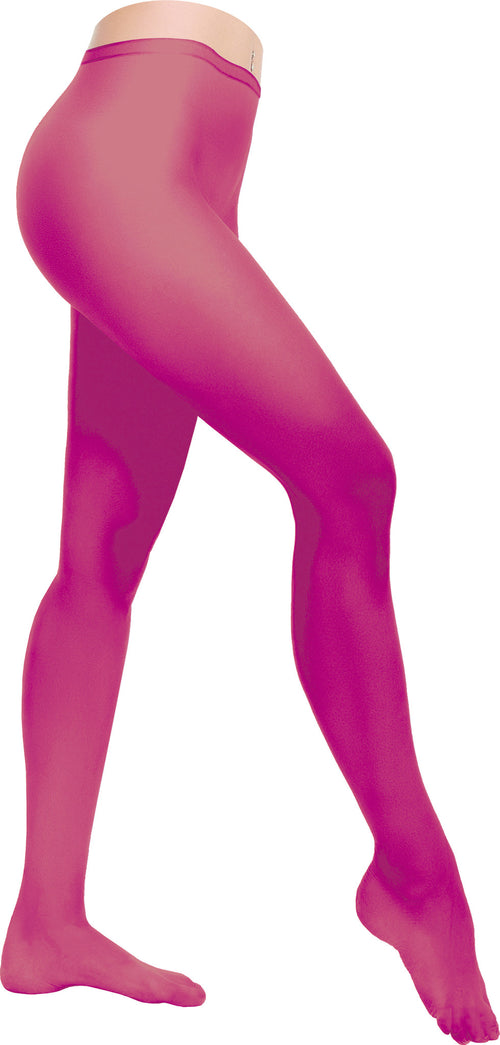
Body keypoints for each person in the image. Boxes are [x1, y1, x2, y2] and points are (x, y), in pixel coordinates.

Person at [0, 3, 498, 1041]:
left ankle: (45, 922)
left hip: (162, 168)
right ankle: (414, 871)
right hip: (123, 166)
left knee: (100, 552)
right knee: (352, 481)